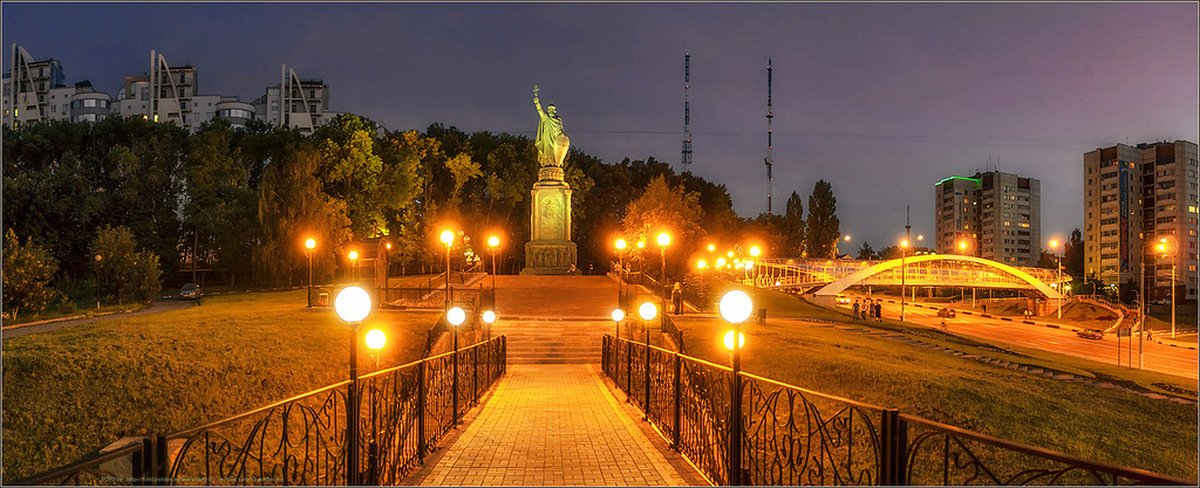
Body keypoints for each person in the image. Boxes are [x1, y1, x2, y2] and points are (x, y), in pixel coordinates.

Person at [533, 85, 570, 168]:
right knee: (548, 152)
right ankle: (547, 164)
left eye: (551, 110)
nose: (550, 111)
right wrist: (537, 103)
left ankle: (555, 164)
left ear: (554, 111)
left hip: (555, 139)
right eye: (549, 109)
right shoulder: (546, 118)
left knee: (555, 152)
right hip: (547, 139)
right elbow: (540, 111)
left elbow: (561, 129)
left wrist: (562, 136)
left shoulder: (558, 119)